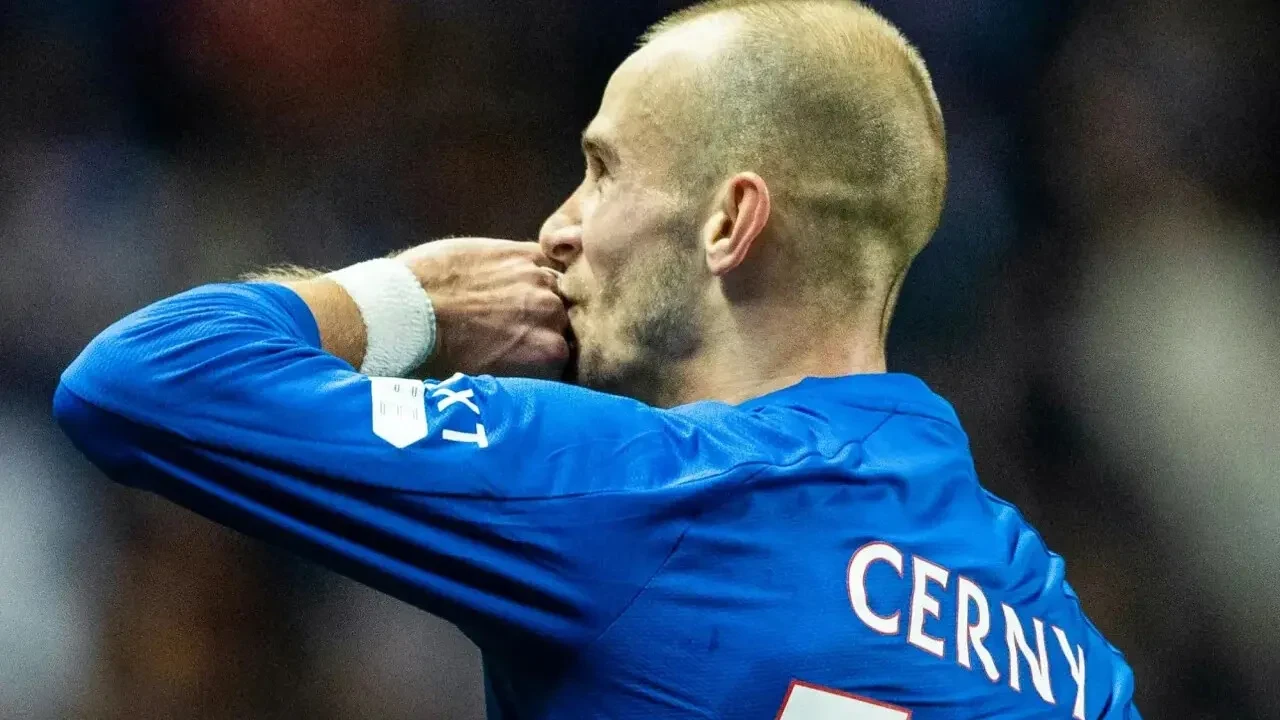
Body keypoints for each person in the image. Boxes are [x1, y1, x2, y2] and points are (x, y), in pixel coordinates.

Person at [54, 0, 1141, 717]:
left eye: (602, 171)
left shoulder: (631, 488)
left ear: (729, 223)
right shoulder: (1064, 649)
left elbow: (142, 378)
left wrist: (418, 299)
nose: (558, 226)